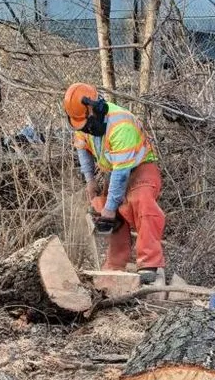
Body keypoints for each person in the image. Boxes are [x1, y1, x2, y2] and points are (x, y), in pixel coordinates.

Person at [63, 82, 166, 284]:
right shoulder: (81, 120)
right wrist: (90, 180)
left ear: (95, 109)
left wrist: (110, 208)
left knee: (141, 202)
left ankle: (149, 263)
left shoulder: (121, 126)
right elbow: (81, 147)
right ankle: (115, 265)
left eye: (86, 124)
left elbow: (121, 174)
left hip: (141, 168)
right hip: (114, 170)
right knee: (111, 211)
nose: (85, 129)